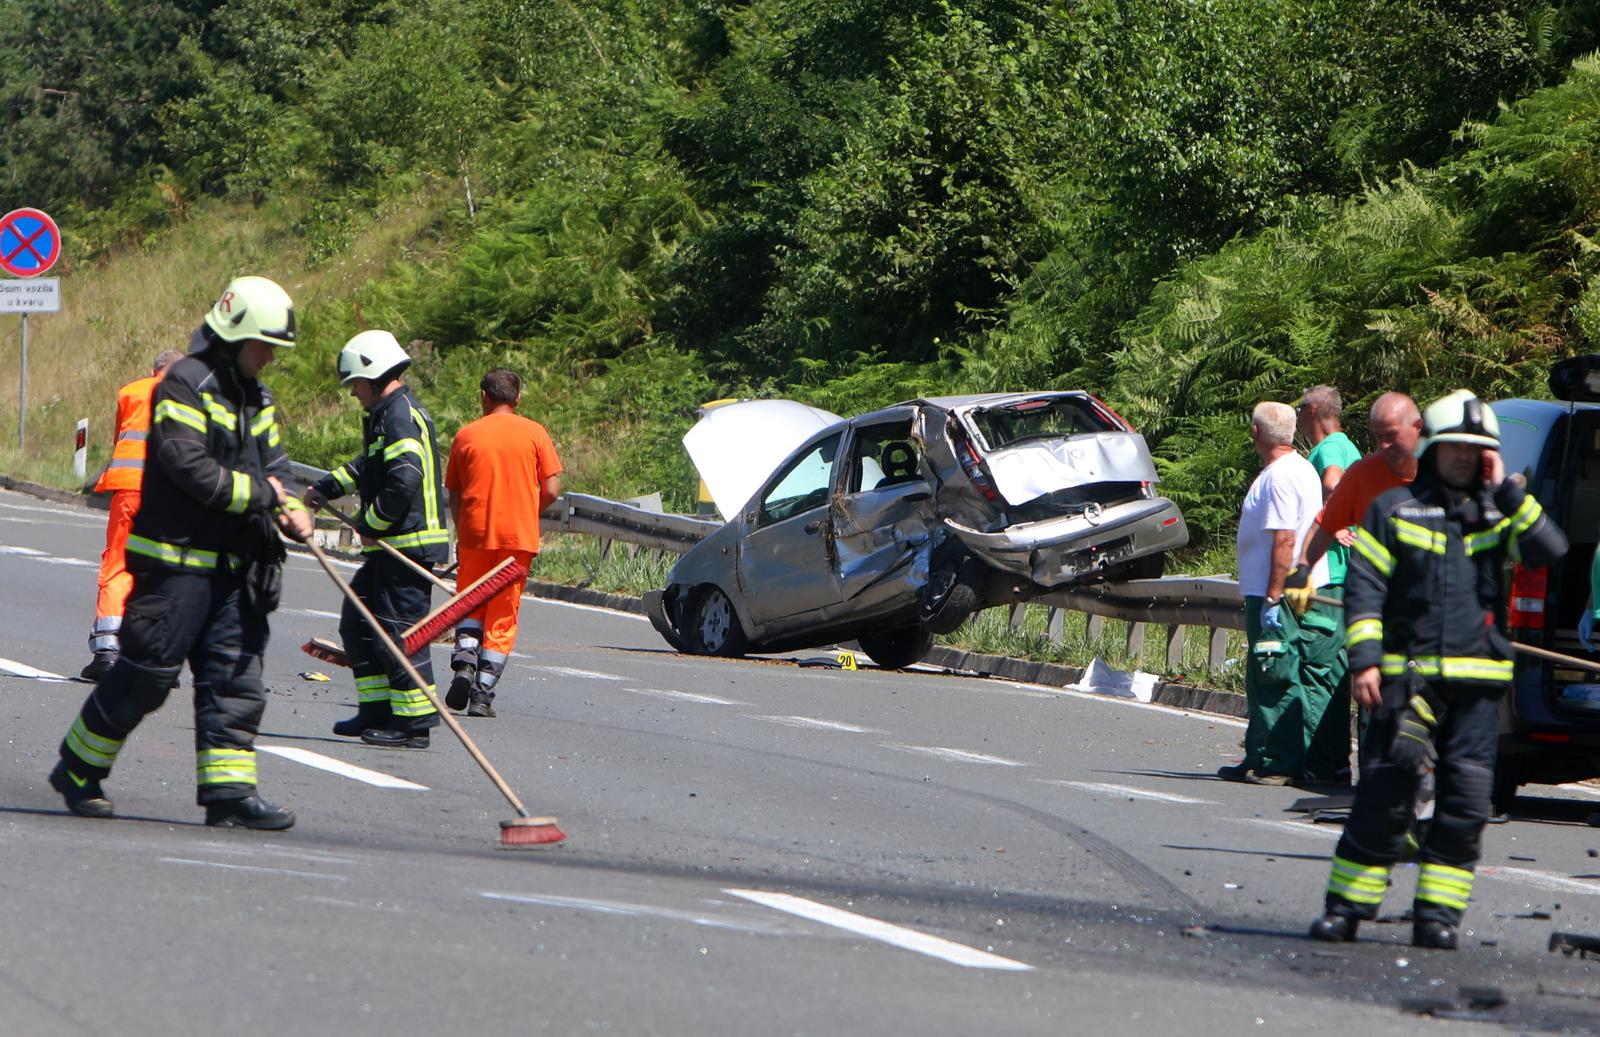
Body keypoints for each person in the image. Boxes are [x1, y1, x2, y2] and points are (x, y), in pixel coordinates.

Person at [49, 276, 314, 828]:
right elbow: (191, 469)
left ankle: (229, 795)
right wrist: (266, 497)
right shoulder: (185, 386)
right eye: (264, 346)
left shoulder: (256, 396)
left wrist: (292, 505)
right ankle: (78, 767)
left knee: (235, 682)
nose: (270, 358)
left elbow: (276, 465)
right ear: (235, 336)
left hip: (236, 572)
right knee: (146, 677)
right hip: (176, 568)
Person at [1309, 390, 1566, 950]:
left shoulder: (1498, 512)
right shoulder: (1393, 509)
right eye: (1455, 447)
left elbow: (1550, 548)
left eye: (1476, 449)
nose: (1464, 457)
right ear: (1433, 448)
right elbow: (1365, 589)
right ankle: (1346, 909)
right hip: (1409, 684)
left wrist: (1506, 490)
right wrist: (1365, 662)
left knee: (1466, 805)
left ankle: (1437, 918)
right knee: (1386, 796)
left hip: (1478, 690)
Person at [303, 331, 449, 748]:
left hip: (407, 548)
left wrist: (371, 522)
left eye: (355, 383)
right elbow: (370, 466)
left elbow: (404, 480)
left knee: (399, 633)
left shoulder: (400, 415)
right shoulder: (388, 413)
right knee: (358, 623)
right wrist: (328, 487)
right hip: (393, 547)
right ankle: (376, 710)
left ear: (373, 374)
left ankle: (413, 724)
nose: (353, 393)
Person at [1218, 402, 1328, 785]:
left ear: (1256, 433)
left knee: (1275, 672)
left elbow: (1285, 539)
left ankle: (1280, 760)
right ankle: (1259, 753)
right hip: (1279, 589)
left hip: (1275, 592)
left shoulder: (1280, 476)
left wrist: (1272, 596)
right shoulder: (1298, 468)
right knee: (1264, 673)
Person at [443, 368, 563, 717]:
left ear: (484, 396)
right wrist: (526, 510)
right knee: (502, 614)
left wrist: (463, 528)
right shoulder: (535, 433)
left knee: (470, 603)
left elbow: (454, 492)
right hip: (517, 539)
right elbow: (552, 489)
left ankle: (465, 662)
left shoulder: (466, 435)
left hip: (475, 534)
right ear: (518, 398)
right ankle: (482, 695)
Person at [81, 348, 186, 680]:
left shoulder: (130, 392)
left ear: (155, 370)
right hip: (171, 493)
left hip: (129, 488)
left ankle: (107, 652)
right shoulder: (192, 397)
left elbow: (120, 440)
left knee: (119, 564)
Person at [1288, 386, 1365, 783]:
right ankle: (1333, 760)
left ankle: (1322, 762)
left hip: (1329, 574)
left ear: (1314, 409)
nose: (1298, 416)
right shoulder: (1350, 446)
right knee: (1333, 670)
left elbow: (1333, 484)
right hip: (1346, 576)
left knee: (1318, 666)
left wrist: (1332, 525)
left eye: (1300, 408)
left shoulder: (1329, 448)